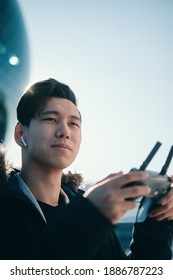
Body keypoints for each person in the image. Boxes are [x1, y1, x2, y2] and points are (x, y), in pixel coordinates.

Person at [0, 78, 172, 260]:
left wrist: (156, 225)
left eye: (73, 123)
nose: (64, 132)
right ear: (20, 133)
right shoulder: (92, 211)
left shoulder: (90, 206)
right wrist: (89, 220)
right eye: (51, 119)